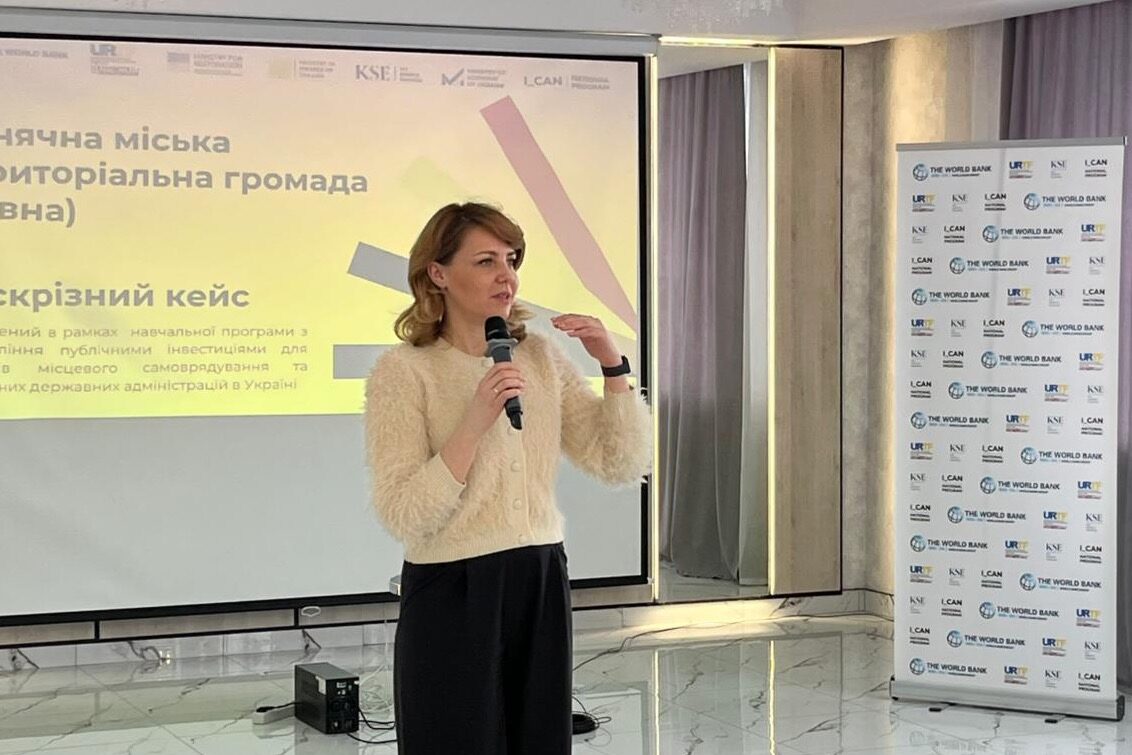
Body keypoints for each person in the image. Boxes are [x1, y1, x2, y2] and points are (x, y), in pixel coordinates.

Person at [364, 202, 651, 754]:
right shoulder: (402, 372)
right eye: (486, 261)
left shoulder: (540, 356)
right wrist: (473, 424)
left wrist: (613, 367)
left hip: (538, 577)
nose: (507, 276)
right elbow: (402, 511)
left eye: (511, 260)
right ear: (438, 273)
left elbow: (617, 462)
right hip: (453, 586)